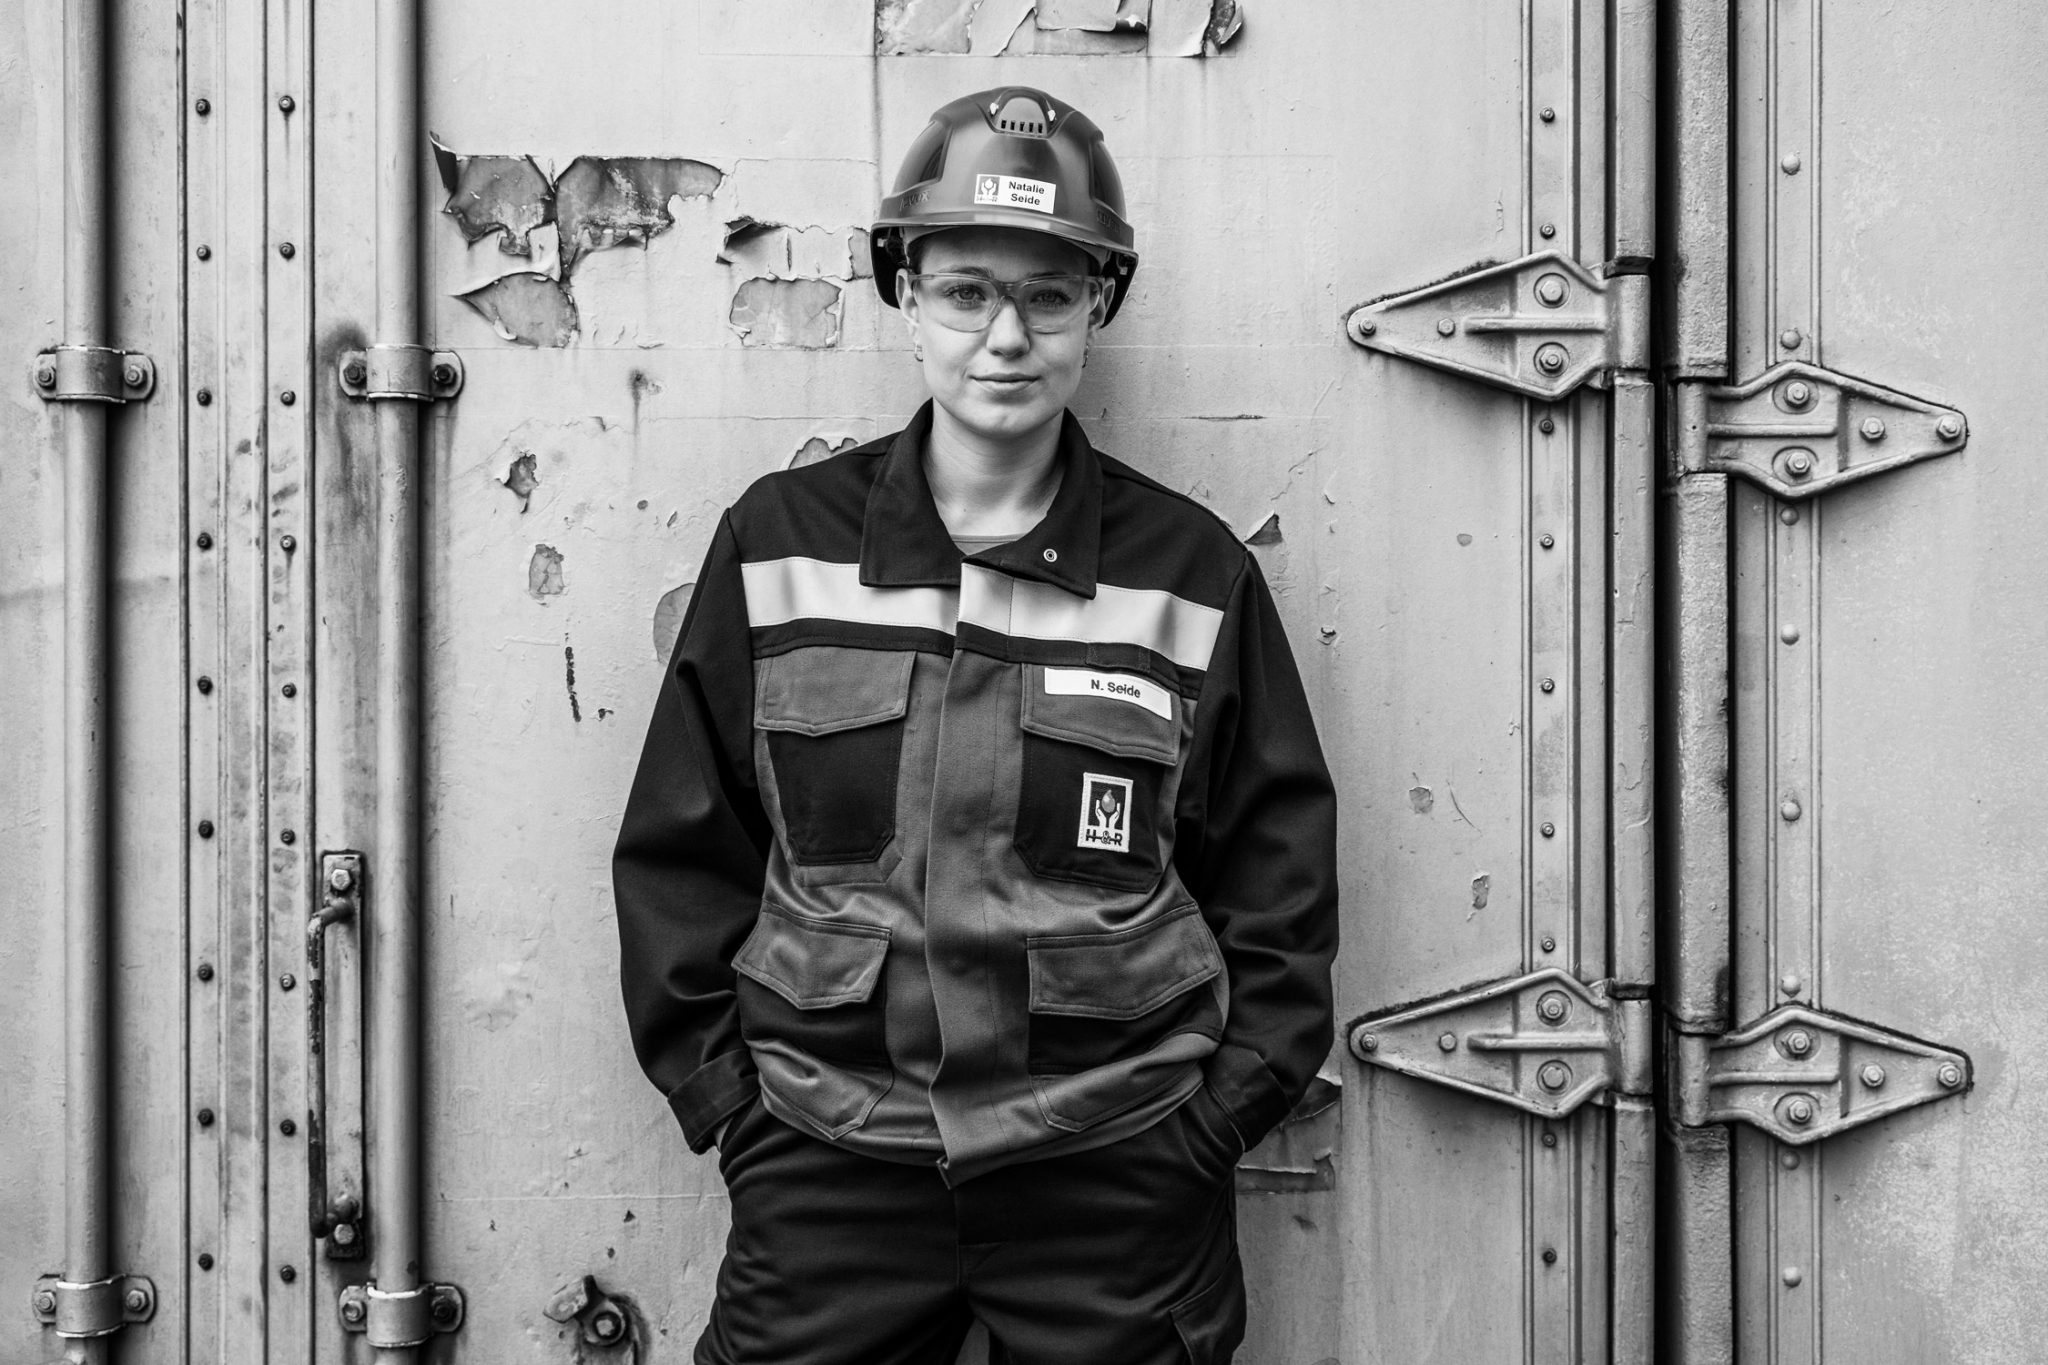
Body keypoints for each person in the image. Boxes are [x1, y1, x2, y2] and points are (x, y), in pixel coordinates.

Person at [614, 85, 1338, 1365]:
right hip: (828, 1167)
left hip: (1116, 1177)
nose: (1005, 336)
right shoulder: (778, 549)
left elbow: (1276, 888)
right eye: (964, 293)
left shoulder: (1188, 575)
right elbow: (682, 853)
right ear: (905, 295)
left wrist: (1209, 1126)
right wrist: (732, 1110)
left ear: (1097, 306)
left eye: (1047, 296)